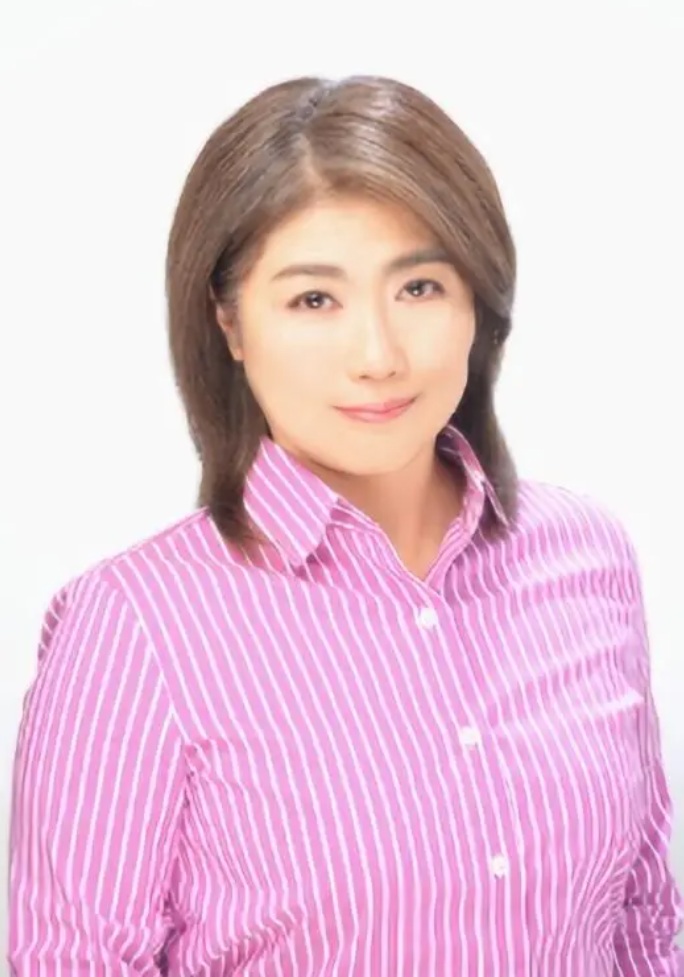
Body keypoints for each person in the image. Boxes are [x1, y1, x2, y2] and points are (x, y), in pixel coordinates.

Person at [8, 74, 683, 977]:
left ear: (478, 303)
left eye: (420, 286)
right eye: (314, 300)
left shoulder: (588, 555)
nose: (378, 355)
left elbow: (644, 927)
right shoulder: (133, 625)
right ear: (229, 321)